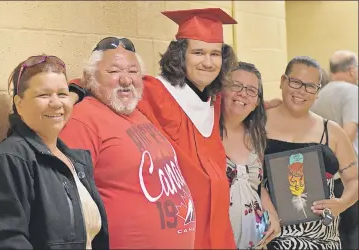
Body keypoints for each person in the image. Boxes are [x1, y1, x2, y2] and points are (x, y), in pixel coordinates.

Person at [59, 38, 196, 249]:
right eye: (113, 72)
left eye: (133, 72)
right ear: (90, 78)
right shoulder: (82, 120)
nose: (126, 80)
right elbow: (66, 204)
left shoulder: (137, 113)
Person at [0, 55, 109, 249]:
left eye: (62, 94)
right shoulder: (10, 160)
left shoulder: (74, 160)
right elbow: (5, 240)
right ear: (19, 104)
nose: (56, 103)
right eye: (43, 95)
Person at [136, 8, 239, 249]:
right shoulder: (154, 92)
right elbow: (108, 86)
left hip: (217, 227)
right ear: (180, 55)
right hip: (179, 227)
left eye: (215, 54)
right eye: (198, 52)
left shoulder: (214, 101)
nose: (207, 62)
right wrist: (76, 91)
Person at [264, 56, 358, 249]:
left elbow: (354, 179)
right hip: (267, 236)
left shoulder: (331, 131)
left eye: (310, 86)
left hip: (321, 240)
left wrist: (341, 203)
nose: (301, 91)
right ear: (283, 81)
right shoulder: (257, 123)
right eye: (296, 82)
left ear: (317, 92)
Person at [221, 62, 281, 249]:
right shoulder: (204, 133)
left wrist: (271, 213)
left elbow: (256, 183)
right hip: (214, 240)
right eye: (236, 86)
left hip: (254, 243)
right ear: (221, 90)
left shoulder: (255, 136)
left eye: (251, 90)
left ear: (256, 102)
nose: (243, 93)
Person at [311, 50, 358, 249]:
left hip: (324, 173)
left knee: (334, 229)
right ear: (352, 70)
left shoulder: (320, 93)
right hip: (348, 173)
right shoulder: (352, 91)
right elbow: (349, 132)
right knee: (352, 230)